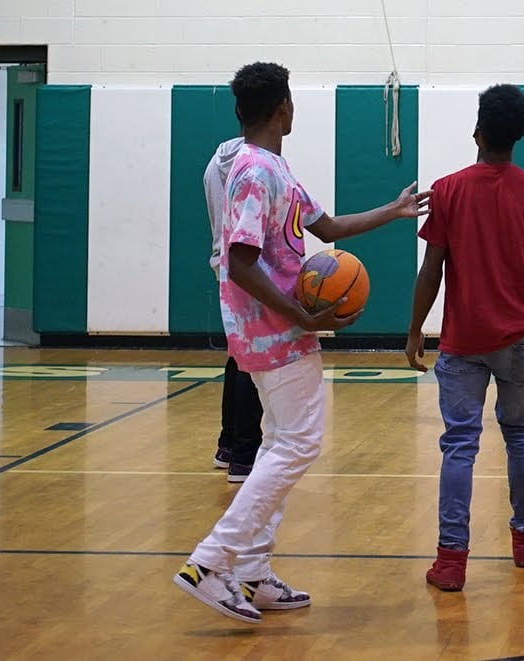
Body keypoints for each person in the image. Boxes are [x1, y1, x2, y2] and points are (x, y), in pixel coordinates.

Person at [173, 62, 424, 624]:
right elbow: (239, 261)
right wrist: (301, 317)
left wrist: (395, 209)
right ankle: (211, 562)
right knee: (300, 443)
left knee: (279, 443)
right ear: (282, 108)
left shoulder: (272, 167)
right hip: (272, 328)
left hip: (272, 327)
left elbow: (327, 228)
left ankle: (254, 573)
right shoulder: (256, 171)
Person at [406, 84, 524, 593]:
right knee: (521, 438)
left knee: (459, 445)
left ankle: (452, 561)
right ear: (520, 137)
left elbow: (431, 269)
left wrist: (415, 329)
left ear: (477, 131)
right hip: (521, 339)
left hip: (462, 342)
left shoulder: (448, 190)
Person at [202, 136, 263, 485]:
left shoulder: (218, 160)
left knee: (238, 356)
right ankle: (244, 454)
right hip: (245, 267)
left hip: (226, 263)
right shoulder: (255, 168)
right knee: (249, 359)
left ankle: (228, 445)